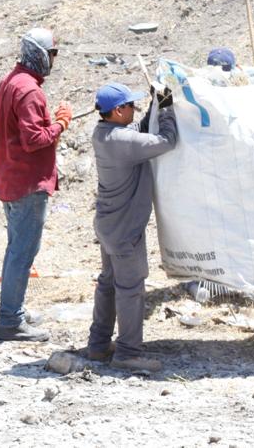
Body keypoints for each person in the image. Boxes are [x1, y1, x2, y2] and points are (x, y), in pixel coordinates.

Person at [87, 82, 178, 372]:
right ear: (117, 111)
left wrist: (155, 104)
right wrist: (167, 110)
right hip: (125, 230)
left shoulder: (105, 134)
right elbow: (167, 141)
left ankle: (98, 345)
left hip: (109, 226)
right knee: (130, 289)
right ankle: (127, 353)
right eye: (130, 105)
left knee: (108, 283)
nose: (134, 109)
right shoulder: (122, 141)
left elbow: (138, 131)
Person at [0, 28, 72, 342]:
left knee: (16, 249)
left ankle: (14, 310)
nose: (54, 59)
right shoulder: (29, 91)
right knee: (22, 253)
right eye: (52, 54)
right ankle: (10, 321)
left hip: (11, 176)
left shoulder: (11, 81)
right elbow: (35, 139)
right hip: (27, 182)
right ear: (40, 55)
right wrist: (61, 123)